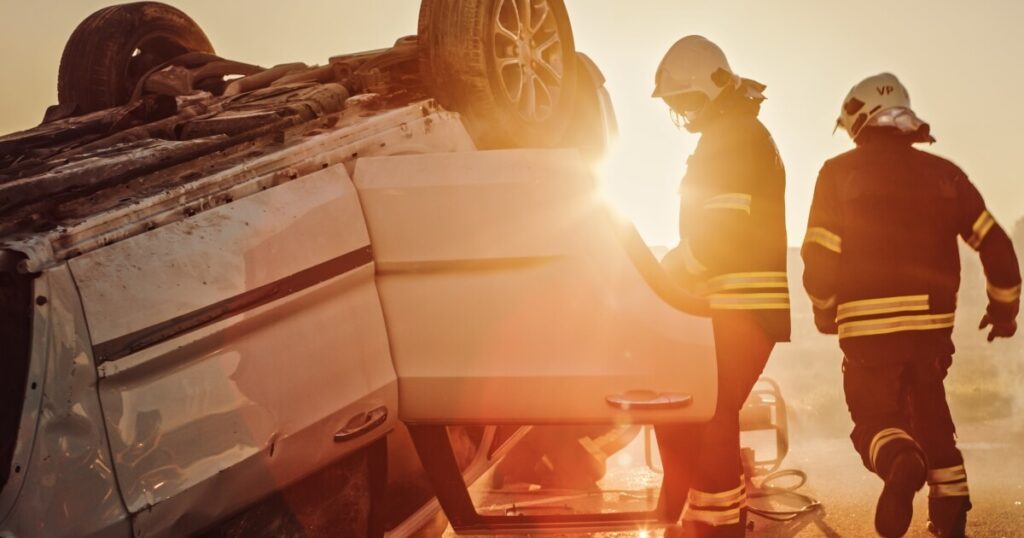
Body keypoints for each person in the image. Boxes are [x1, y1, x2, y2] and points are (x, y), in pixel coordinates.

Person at [802, 73, 1021, 537]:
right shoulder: (946, 175)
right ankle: (950, 514)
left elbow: (819, 257)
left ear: (858, 120)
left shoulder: (837, 175)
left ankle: (901, 462)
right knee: (932, 414)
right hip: (930, 330)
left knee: (875, 420)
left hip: (866, 331)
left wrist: (825, 310)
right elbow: (996, 245)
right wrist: (1004, 310)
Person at [654, 35, 791, 537]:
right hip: (741, 304)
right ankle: (700, 514)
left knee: (708, 406)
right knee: (700, 405)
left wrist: (670, 269)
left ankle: (716, 525)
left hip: (742, 303)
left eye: (686, 101)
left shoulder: (731, 136)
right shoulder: (737, 131)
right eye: (675, 106)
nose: (682, 114)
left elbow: (720, 235)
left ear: (712, 90)